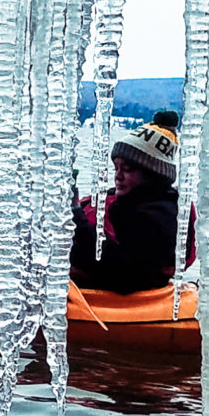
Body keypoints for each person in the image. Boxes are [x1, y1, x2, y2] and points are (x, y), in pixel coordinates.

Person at [71, 109, 181, 293]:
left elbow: (122, 273)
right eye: (116, 168)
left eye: (127, 169)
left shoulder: (158, 217)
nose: (118, 176)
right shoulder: (134, 203)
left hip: (127, 294)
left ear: (152, 175)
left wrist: (75, 215)